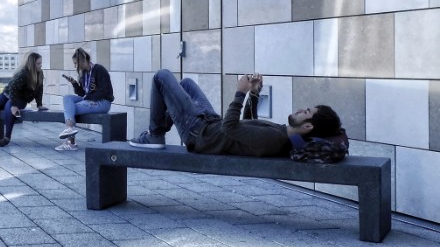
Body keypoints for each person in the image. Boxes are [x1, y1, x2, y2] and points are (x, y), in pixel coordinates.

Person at [128, 69, 342, 157]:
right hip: (209, 124)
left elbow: (231, 127)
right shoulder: (280, 134)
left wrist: (240, 93)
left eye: (306, 112)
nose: (301, 109)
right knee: (186, 83)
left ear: (307, 127)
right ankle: (158, 130)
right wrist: (254, 94)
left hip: (198, 134)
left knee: (162, 76)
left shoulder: (274, 138)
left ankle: (155, 134)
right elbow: (247, 127)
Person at [55, 47, 114, 152]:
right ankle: (70, 130)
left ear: (83, 60)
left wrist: (87, 98)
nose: (75, 66)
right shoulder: (83, 74)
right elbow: (83, 93)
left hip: (103, 102)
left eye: (76, 63)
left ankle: (71, 141)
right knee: (67, 98)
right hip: (89, 100)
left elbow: (104, 91)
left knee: (71, 109)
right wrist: (74, 84)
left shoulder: (99, 70)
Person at [0, 52, 48, 147]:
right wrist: (14, 104)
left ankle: (7, 137)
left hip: (21, 99)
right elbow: (13, 88)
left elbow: (39, 89)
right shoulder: (23, 73)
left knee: (8, 107)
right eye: (38, 63)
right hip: (8, 94)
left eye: (41, 63)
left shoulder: (40, 74)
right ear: (32, 64)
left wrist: (39, 104)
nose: (40, 65)